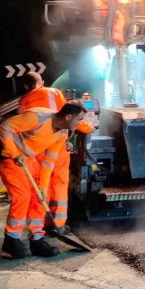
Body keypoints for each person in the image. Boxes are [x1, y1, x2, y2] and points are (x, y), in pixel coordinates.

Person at [0, 102, 85, 259]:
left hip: (27, 158)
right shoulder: (37, 118)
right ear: (68, 117)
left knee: (40, 196)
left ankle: (37, 239)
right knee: (22, 196)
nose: (80, 123)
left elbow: (49, 160)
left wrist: (43, 186)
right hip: (8, 156)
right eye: (79, 119)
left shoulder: (62, 133)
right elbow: (5, 127)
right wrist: (14, 153)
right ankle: (11, 239)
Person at [18, 72, 95, 235]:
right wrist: (87, 127)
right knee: (59, 182)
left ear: (26, 86)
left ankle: (41, 224)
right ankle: (58, 225)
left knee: (41, 185)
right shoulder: (53, 93)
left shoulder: (23, 102)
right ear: (42, 82)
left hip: (35, 147)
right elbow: (68, 117)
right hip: (56, 144)